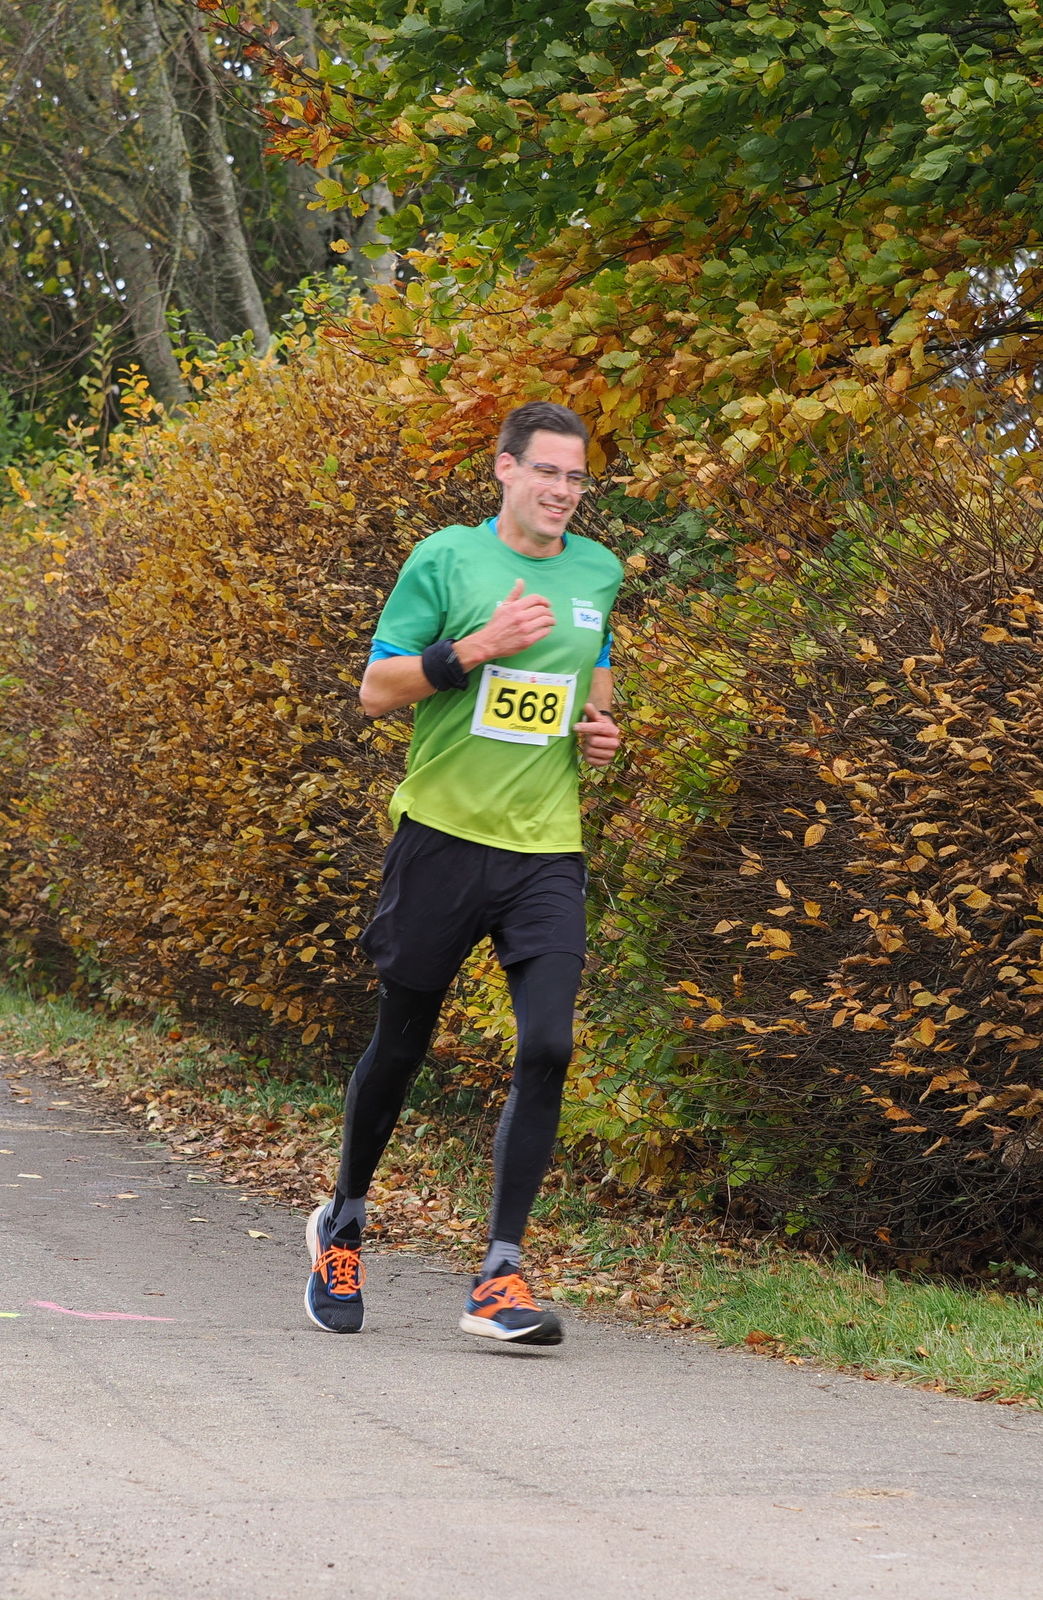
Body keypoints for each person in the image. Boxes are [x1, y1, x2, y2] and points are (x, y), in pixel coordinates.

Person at [304, 400, 624, 1345]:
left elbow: (594, 676)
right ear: (505, 468)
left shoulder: (599, 571)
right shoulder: (445, 559)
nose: (563, 491)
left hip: (546, 845)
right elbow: (377, 691)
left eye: (577, 478)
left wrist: (601, 731)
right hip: (442, 836)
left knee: (549, 1045)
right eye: (547, 472)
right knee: (401, 1044)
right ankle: (342, 1225)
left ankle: (499, 1274)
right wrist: (473, 649)